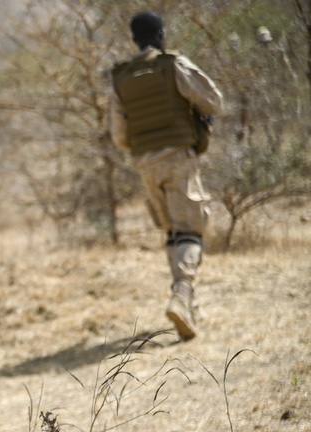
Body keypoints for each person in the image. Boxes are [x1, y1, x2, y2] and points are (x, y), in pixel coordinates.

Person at [109, 11, 224, 340]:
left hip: (145, 161)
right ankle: (182, 295)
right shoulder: (173, 64)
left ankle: (188, 304)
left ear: (134, 39)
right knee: (191, 230)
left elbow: (118, 134)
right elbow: (214, 101)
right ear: (160, 34)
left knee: (174, 231)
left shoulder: (121, 77)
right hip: (178, 156)